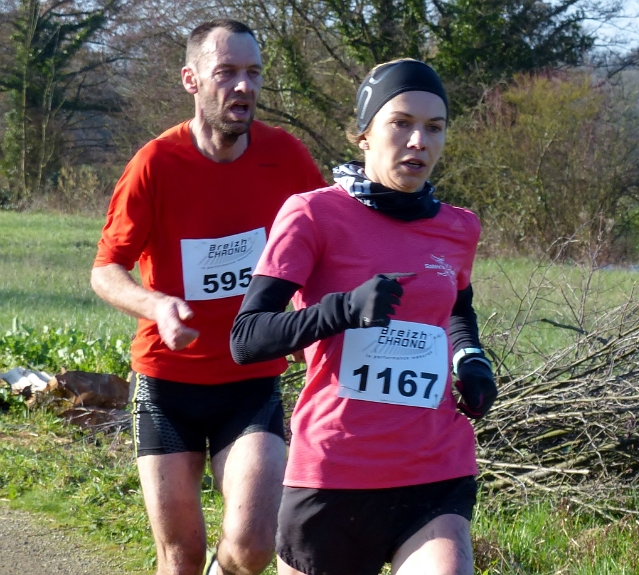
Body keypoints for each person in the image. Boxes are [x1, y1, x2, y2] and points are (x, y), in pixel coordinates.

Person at [230, 58, 498, 575]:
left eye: (434, 127)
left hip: (433, 467)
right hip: (335, 472)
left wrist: (471, 360)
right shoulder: (313, 214)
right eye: (401, 123)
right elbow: (248, 338)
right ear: (365, 134)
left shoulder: (459, 227)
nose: (418, 141)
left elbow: (457, 307)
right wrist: (344, 309)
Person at [91, 19, 326, 575]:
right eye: (226, 72)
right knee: (181, 557)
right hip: (167, 381)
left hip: (250, 379)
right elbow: (105, 271)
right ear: (191, 79)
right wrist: (157, 305)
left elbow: (324, 247)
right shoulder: (155, 164)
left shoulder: (286, 157)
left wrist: (305, 318)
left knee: (253, 544)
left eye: (253, 73)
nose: (243, 86)